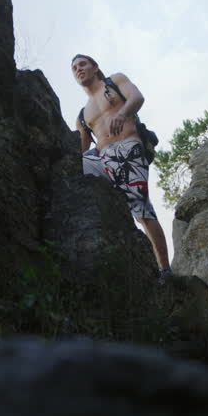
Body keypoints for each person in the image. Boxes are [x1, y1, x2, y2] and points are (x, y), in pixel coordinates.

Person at [71, 53, 171, 284]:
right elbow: (81, 151)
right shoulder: (82, 115)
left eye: (83, 64)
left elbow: (137, 97)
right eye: (75, 68)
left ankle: (165, 270)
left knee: (141, 209)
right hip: (102, 157)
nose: (79, 69)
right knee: (78, 170)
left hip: (128, 148)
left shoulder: (114, 81)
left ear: (95, 67)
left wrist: (122, 113)